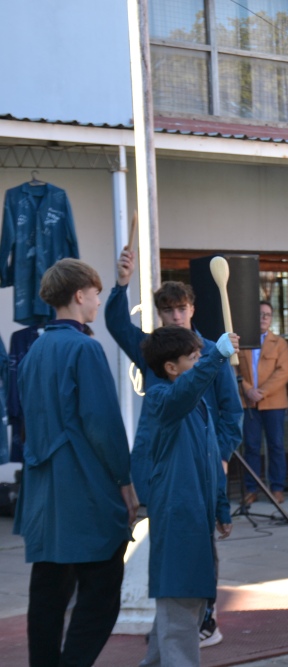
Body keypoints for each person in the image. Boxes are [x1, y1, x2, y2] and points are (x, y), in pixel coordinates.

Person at [107, 248, 241, 647]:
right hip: (161, 460)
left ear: (192, 307)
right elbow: (116, 324)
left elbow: (231, 413)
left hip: (201, 457)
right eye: (168, 310)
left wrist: (220, 454)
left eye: (181, 308)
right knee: (166, 541)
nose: (176, 316)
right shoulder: (158, 350)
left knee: (201, 542)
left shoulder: (211, 352)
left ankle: (204, 616)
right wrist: (121, 283)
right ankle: (170, 622)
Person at [14, 259, 138, 667]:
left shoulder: (33, 350)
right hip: (83, 485)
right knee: (101, 591)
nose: (98, 301)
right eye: (97, 293)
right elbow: (102, 423)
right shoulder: (84, 347)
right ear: (80, 294)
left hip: (43, 491)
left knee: (47, 593)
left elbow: (23, 419)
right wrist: (124, 479)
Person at [138, 327, 239, 667]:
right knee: (179, 614)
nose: (199, 364)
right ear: (171, 367)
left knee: (186, 612)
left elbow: (212, 463)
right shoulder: (162, 399)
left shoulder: (195, 407)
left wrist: (222, 508)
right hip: (179, 519)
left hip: (197, 518)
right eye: (193, 359)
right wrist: (216, 357)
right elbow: (185, 390)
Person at [237, 301, 288, 505]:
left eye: (267, 314)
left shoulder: (280, 343)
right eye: (260, 314)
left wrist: (262, 392)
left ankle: (277, 488)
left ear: (272, 318)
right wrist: (248, 389)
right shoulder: (242, 342)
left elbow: (284, 372)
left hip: (274, 403)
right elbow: (235, 369)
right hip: (248, 402)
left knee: (276, 445)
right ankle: (251, 489)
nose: (263, 318)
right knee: (251, 446)